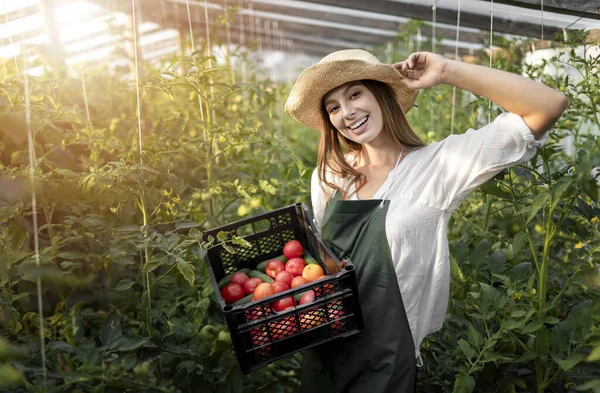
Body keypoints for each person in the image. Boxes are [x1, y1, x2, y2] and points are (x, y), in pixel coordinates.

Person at [284, 49, 568, 393]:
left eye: (356, 94)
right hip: (323, 357)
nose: (347, 112)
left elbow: (548, 105)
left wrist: (448, 71)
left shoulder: (439, 167)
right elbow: (320, 267)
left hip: (386, 363)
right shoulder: (330, 176)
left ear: (381, 93)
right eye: (333, 107)